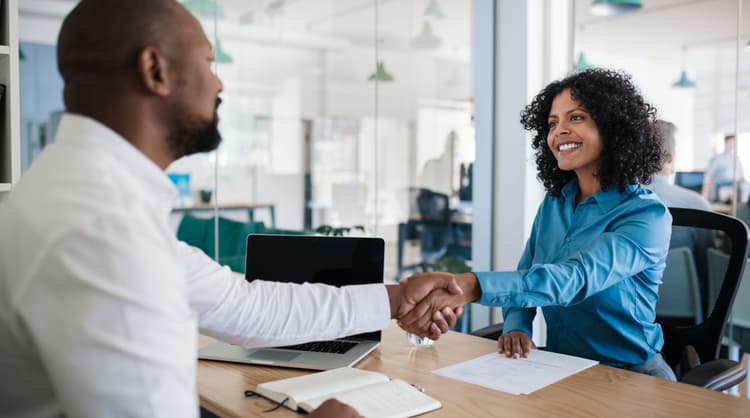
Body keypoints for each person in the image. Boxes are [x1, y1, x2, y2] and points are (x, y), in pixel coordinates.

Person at [0, 1, 461, 417]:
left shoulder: (79, 197)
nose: (219, 82)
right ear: (154, 70)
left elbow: (246, 306)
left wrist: (396, 297)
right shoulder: (102, 230)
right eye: (207, 60)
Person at [399, 69, 677, 380]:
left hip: (631, 376)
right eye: (553, 123)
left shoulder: (646, 216)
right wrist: (517, 325)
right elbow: (528, 271)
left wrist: (469, 286)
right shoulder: (556, 202)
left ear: (613, 128)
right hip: (563, 368)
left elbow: (573, 279)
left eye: (576, 118)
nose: (560, 132)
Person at [645, 120, 713, 309]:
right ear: (670, 159)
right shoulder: (698, 205)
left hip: (630, 313)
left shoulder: (616, 201)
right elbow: (707, 266)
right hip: (688, 313)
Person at [702, 134, 745, 202]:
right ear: (725, 143)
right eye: (729, 142)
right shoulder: (718, 159)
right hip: (723, 187)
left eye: (733, 143)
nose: (731, 145)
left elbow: (742, 177)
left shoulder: (736, 159)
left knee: (745, 187)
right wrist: (704, 195)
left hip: (737, 187)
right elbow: (708, 176)